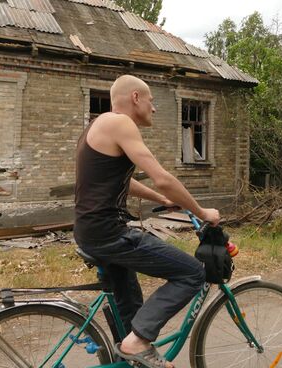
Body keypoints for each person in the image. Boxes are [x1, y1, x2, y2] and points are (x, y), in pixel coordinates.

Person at [74, 75, 220, 368]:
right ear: (136, 98)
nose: (154, 108)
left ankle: (133, 350)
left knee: (131, 313)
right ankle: (137, 342)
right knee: (193, 273)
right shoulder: (120, 123)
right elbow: (163, 177)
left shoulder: (100, 125)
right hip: (108, 233)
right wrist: (203, 212)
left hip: (92, 231)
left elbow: (120, 182)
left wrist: (163, 200)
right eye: (151, 100)